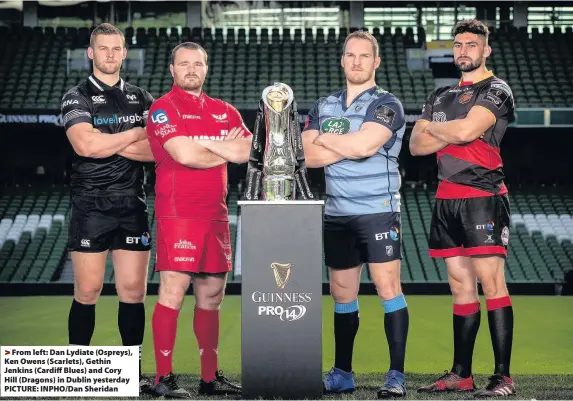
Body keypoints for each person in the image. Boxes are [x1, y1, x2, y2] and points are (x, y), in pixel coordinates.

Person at [410, 19, 516, 397]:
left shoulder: (497, 89)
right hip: (446, 198)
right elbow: (415, 146)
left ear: (486, 50)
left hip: (482, 196)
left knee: (492, 283)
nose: (463, 51)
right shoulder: (440, 94)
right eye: (458, 45)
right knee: (459, 285)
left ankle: (503, 377)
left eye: (471, 45)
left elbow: (466, 133)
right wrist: (449, 129)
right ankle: (461, 374)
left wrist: (437, 130)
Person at [302, 30, 408, 399]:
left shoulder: (386, 103)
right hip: (338, 212)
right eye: (351, 55)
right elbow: (308, 157)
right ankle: (342, 373)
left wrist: (329, 140)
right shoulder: (323, 105)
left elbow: (365, 146)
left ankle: (396, 375)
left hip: (378, 210)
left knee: (387, 288)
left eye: (365, 56)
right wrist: (350, 143)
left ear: (376, 61)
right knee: (342, 293)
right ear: (343, 60)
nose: (357, 61)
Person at [145, 42, 252, 398]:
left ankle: (209, 379)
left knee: (212, 296)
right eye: (184, 63)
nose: (191, 69)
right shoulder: (162, 108)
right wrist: (221, 146)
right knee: (173, 292)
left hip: (216, 214)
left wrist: (205, 145)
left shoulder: (225, 110)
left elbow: (246, 151)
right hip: (179, 213)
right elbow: (184, 154)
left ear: (206, 69)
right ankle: (164, 378)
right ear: (172, 69)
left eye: (198, 64)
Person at [60, 23, 155, 393]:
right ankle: (77, 374)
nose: (111, 55)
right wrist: (134, 134)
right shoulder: (76, 96)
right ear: (91, 52)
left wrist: (107, 140)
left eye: (117, 49)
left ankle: (132, 374)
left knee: (133, 290)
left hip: (131, 203)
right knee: (88, 290)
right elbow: (85, 147)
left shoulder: (143, 98)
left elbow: (156, 151)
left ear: (123, 52)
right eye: (103, 49)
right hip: (90, 204)